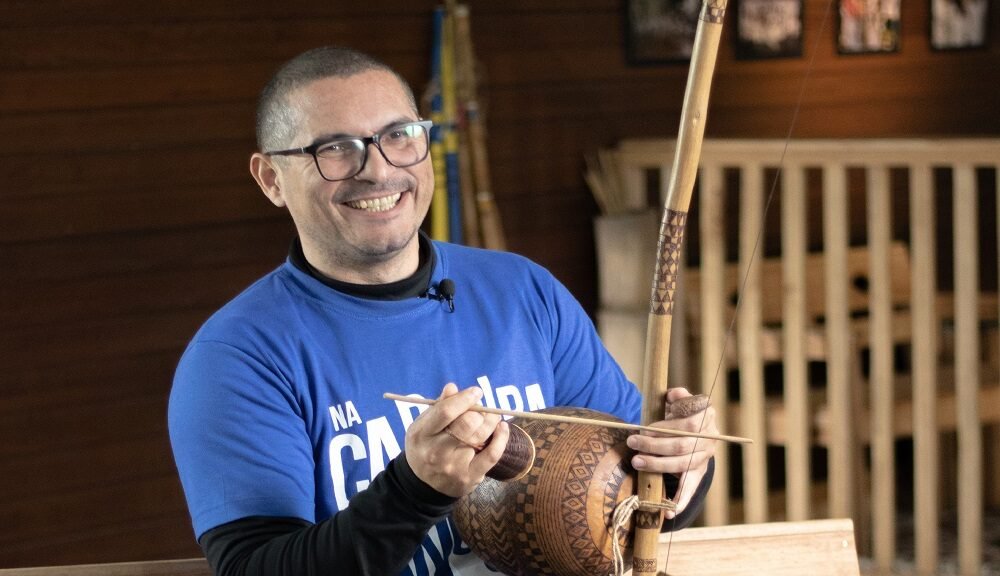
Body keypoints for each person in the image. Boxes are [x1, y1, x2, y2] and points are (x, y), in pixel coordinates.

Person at [168, 46, 718, 576]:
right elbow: (255, 567)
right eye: (335, 148)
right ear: (271, 180)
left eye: (398, 136)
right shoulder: (235, 359)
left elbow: (633, 509)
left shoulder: (524, 290)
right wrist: (414, 490)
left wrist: (682, 468)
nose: (378, 171)